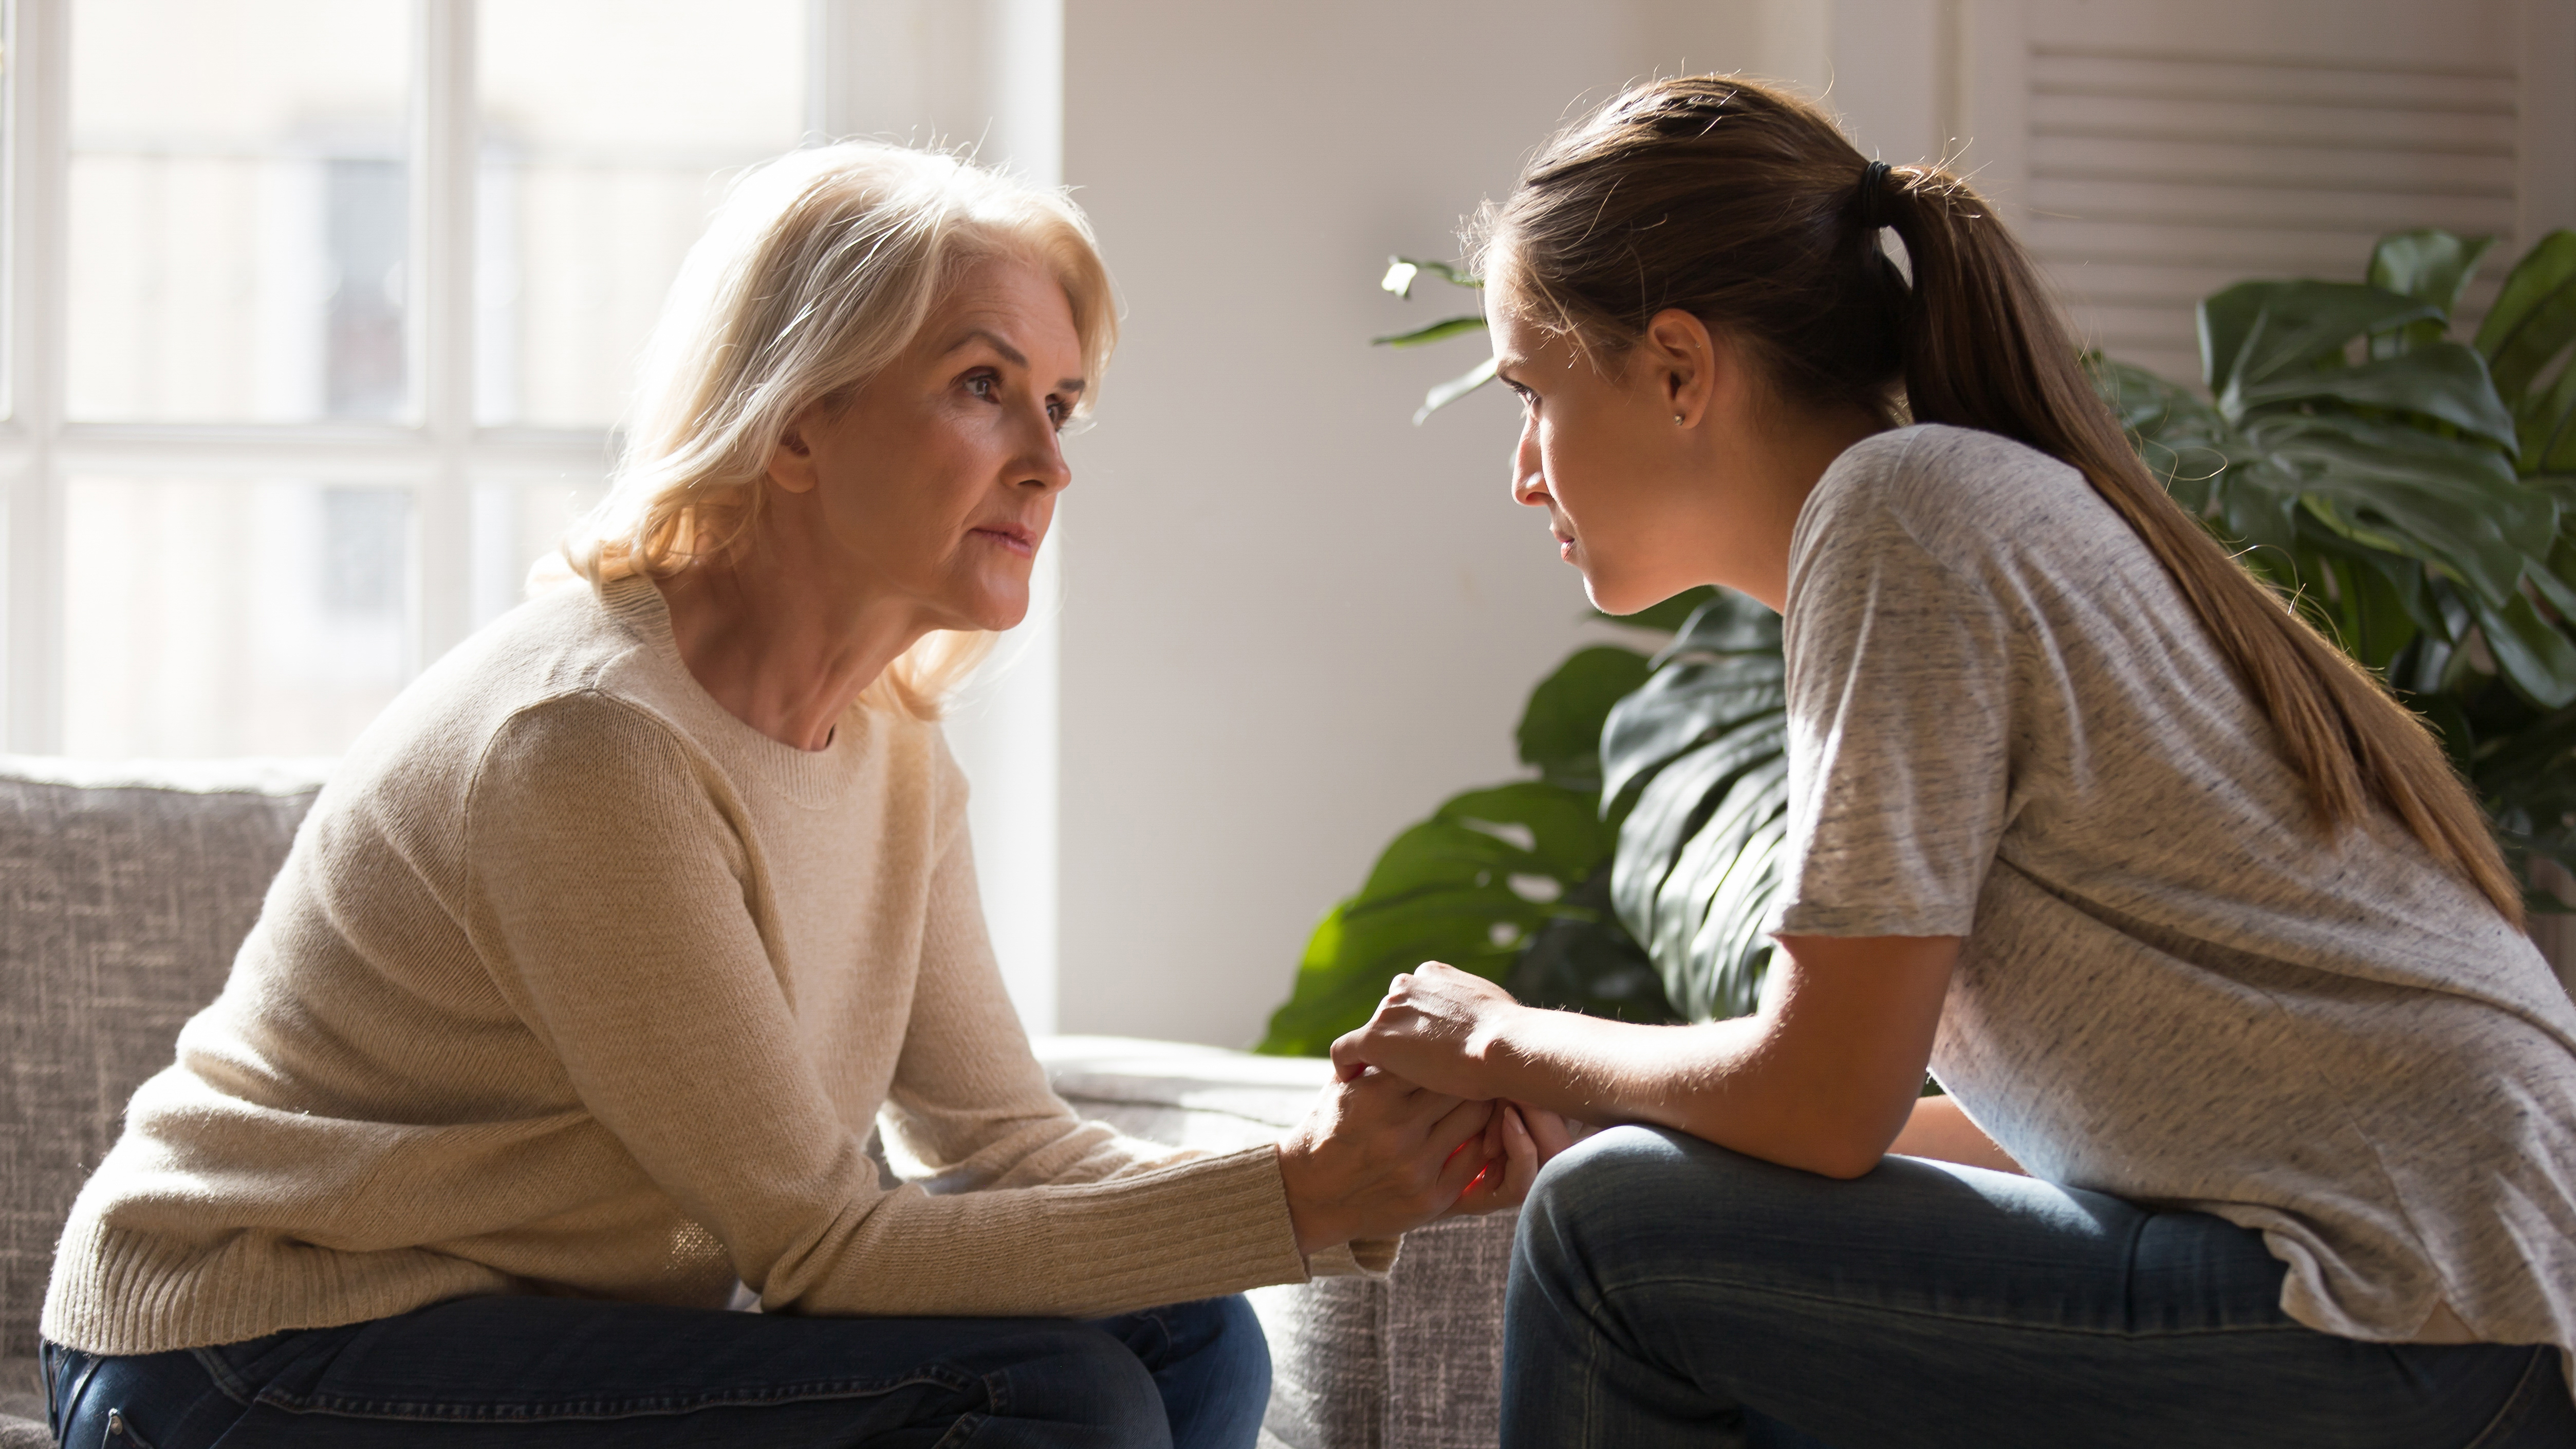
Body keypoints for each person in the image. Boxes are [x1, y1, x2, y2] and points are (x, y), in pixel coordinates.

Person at [40, 143, 1551, 1449]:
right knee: (1048, 1398)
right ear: (796, 421)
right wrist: (1299, 1188)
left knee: (1191, 1334)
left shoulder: (893, 751)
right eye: (983, 386)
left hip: (512, 1324)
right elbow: (821, 1243)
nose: (1047, 465)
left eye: (1063, 405)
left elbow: (1005, 1143)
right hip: (236, 1353)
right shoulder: (591, 743)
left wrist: (1348, 1166)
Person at [1330, 77, 2576, 1448]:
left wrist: (1508, 1039)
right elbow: (2055, 1129)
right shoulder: (1953, 509)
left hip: (2406, 1313)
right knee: (1628, 1197)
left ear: (1679, 368)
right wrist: (1612, 1116)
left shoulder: (1899, 518)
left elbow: (1823, 1099)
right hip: (2461, 1309)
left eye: (1532, 394)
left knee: (1604, 1239)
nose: (1522, 472)